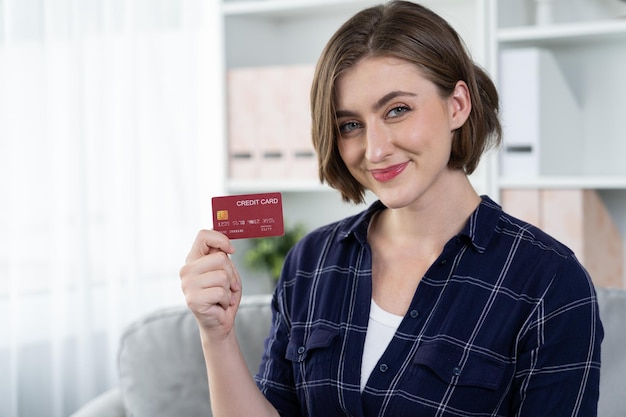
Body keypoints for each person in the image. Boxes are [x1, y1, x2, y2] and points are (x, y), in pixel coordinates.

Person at [179, 1, 603, 416]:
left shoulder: (550, 284)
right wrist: (217, 336)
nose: (375, 149)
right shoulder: (310, 262)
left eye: (397, 110)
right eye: (351, 125)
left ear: (457, 105)